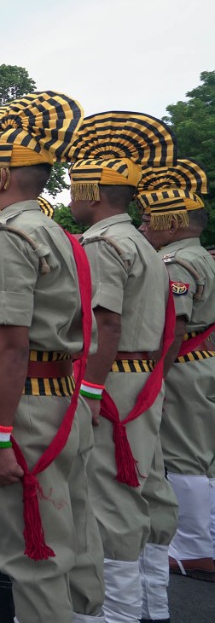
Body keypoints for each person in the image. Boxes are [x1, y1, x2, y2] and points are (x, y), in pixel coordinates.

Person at [0, 90, 106, 623]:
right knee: (78, 545)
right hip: (63, 401)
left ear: (2, 174)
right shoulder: (60, 234)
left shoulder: (5, 237)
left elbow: (10, 343)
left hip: (21, 410)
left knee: (31, 557)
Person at [65, 112, 175, 622]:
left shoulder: (104, 245)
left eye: (74, 182)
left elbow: (105, 327)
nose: (69, 191)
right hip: (139, 378)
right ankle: (150, 606)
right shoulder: (143, 244)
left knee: (109, 502)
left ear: (92, 190)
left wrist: (87, 390)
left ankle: (121, 613)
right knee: (141, 491)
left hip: (110, 379)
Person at [136, 159, 215, 590]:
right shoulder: (202, 256)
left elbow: (174, 329)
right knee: (206, 459)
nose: (144, 228)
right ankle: (206, 541)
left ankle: (192, 548)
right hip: (204, 362)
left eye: (149, 220)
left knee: (185, 457)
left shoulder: (174, 263)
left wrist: (155, 379)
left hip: (183, 366)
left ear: (171, 222)